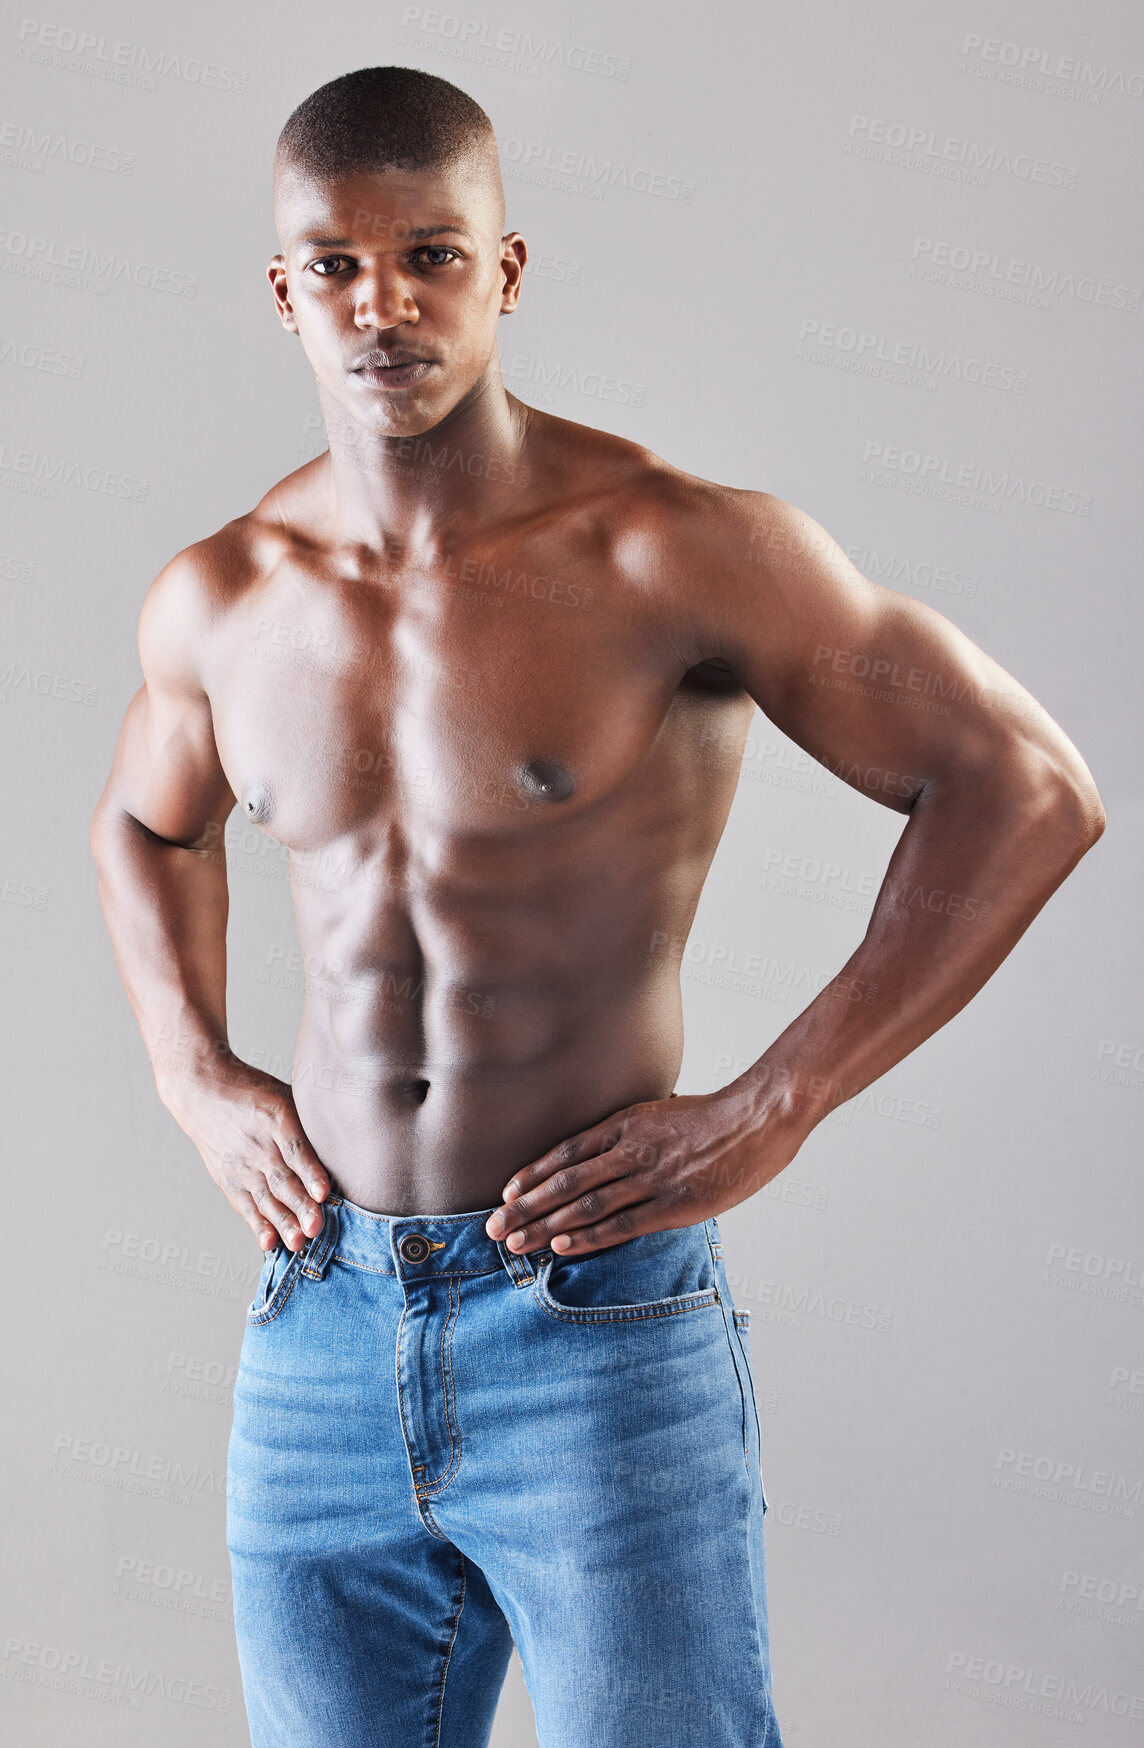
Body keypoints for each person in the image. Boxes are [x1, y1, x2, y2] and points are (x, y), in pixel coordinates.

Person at [89, 63, 1105, 1748]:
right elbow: (144, 824)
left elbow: (1025, 788)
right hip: (320, 1317)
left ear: (507, 269)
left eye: (431, 253)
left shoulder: (676, 552)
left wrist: (782, 1100)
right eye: (334, 265)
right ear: (283, 293)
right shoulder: (223, 597)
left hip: (593, 1320)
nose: (383, 303)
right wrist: (191, 1077)